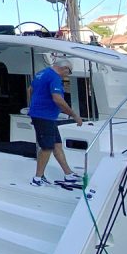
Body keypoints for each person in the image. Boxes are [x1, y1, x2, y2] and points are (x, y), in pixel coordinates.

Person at [28, 57, 84, 186]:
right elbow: (57, 99)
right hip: (44, 116)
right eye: (68, 72)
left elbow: (30, 90)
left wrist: (35, 104)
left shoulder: (41, 73)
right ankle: (37, 178)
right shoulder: (54, 77)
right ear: (64, 68)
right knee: (47, 147)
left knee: (57, 144)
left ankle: (68, 174)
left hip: (45, 115)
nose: (67, 75)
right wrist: (74, 115)